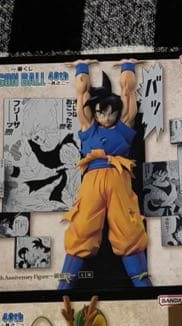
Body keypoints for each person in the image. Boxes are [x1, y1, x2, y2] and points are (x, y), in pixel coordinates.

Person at [58, 58, 151, 288]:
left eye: (111, 113)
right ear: (95, 112)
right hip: (92, 179)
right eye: (102, 113)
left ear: (116, 113)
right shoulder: (89, 129)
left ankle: (142, 284)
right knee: (82, 227)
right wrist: (81, 67)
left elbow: (128, 94)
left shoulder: (123, 128)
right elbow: (81, 96)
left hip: (118, 178)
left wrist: (128, 66)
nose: (106, 118)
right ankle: (64, 285)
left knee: (128, 228)